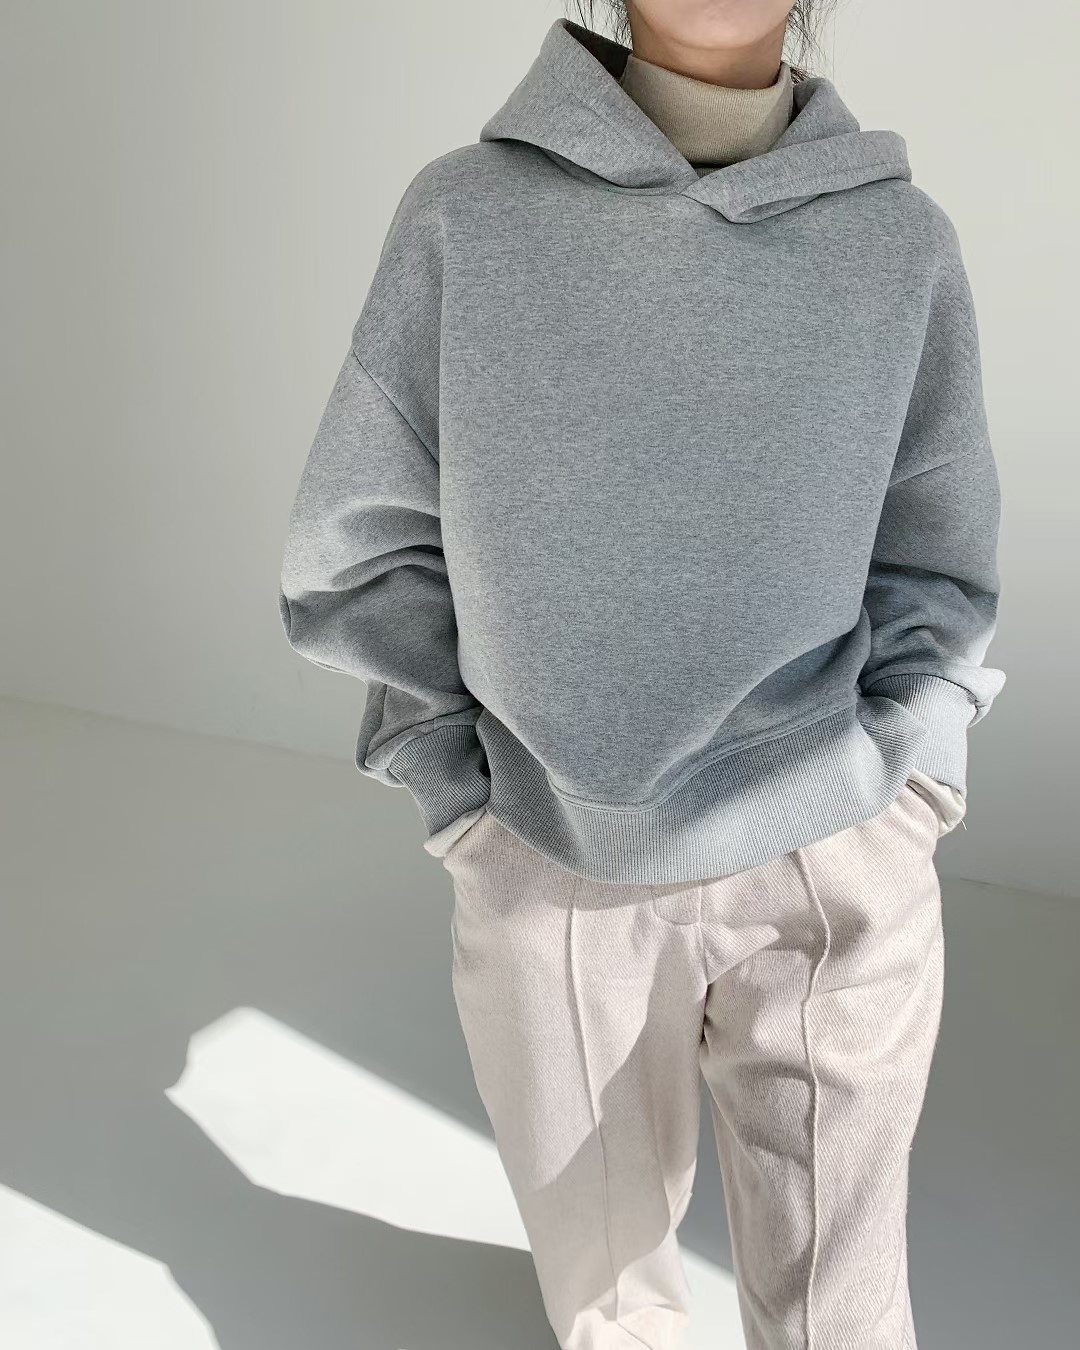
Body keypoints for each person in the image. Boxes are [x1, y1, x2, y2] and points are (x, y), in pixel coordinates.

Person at [277, 3, 1006, 1346]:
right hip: (551, 856)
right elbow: (362, 542)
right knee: (613, 1316)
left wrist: (909, 789)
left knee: (847, 1322)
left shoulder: (898, 241)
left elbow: (936, 557)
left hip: (835, 857)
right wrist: (467, 801)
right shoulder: (465, 216)